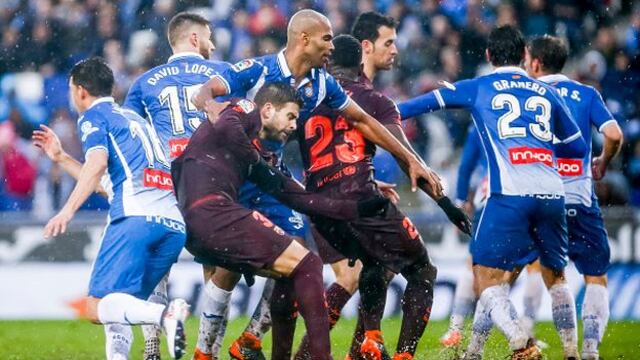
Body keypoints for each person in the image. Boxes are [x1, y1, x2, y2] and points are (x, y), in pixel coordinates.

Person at [192, 9, 448, 359]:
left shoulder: (322, 83)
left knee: (300, 259)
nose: (332, 45)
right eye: (326, 38)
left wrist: (411, 161)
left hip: (270, 182)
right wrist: (210, 106)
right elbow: (205, 91)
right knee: (223, 272)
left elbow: (363, 120)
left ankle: (254, 340)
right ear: (304, 39)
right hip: (229, 180)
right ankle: (205, 350)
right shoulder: (259, 69)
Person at [398, 25, 588, 359]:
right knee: (556, 276)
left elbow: (423, 104)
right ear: (524, 57)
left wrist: (378, 115)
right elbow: (577, 148)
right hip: (553, 194)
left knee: (484, 277)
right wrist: (538, 149)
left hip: (510, 195)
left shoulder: (478, 87)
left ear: (488, 56)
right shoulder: (546, 92)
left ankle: (520, 343)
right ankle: (575, 353)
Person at [171, 82, 389, 360]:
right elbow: (226, 121)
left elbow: (297, 196)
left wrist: (355, 208)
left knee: (291, 262)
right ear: (269, 109)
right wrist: (255, 160)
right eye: (291, 116)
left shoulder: (260, 153)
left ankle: (229, 347)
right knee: (307, 263)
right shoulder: (246, 111)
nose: (295, 125)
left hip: (200, 222)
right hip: (211, 212)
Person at [296, 34, 469, 360]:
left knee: (375, 259)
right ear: (361, 60)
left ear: (329, 64)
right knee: (421, 271)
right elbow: (407, 158)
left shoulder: (307, 100)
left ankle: (369, 339)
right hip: (359, 199)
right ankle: (402, 354)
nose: (394, 49)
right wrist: (446, 205)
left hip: (321, 210)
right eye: (388, 42)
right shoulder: (373, 100)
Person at [37, 57, 189, 359]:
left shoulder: (94, 116)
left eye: (70, 90)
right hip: (173, 226)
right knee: (118, 306)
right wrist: (62, 158)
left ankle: (165, 317)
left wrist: (67, 210)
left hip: (136, 221)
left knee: (96, 306)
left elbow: (97, 164)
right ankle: (158, 319)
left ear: (80, 91)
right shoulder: (135, 120)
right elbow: (106, 184)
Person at [525, 35, 623, 360]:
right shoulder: (586, 93)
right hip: (580, 198)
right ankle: (591, 351)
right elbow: (613, 134)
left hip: (542, 198)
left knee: (553, 274)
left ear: (535, 62)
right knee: (596, 275)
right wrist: (602, 162)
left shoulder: (529, 95)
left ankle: (568, 350)